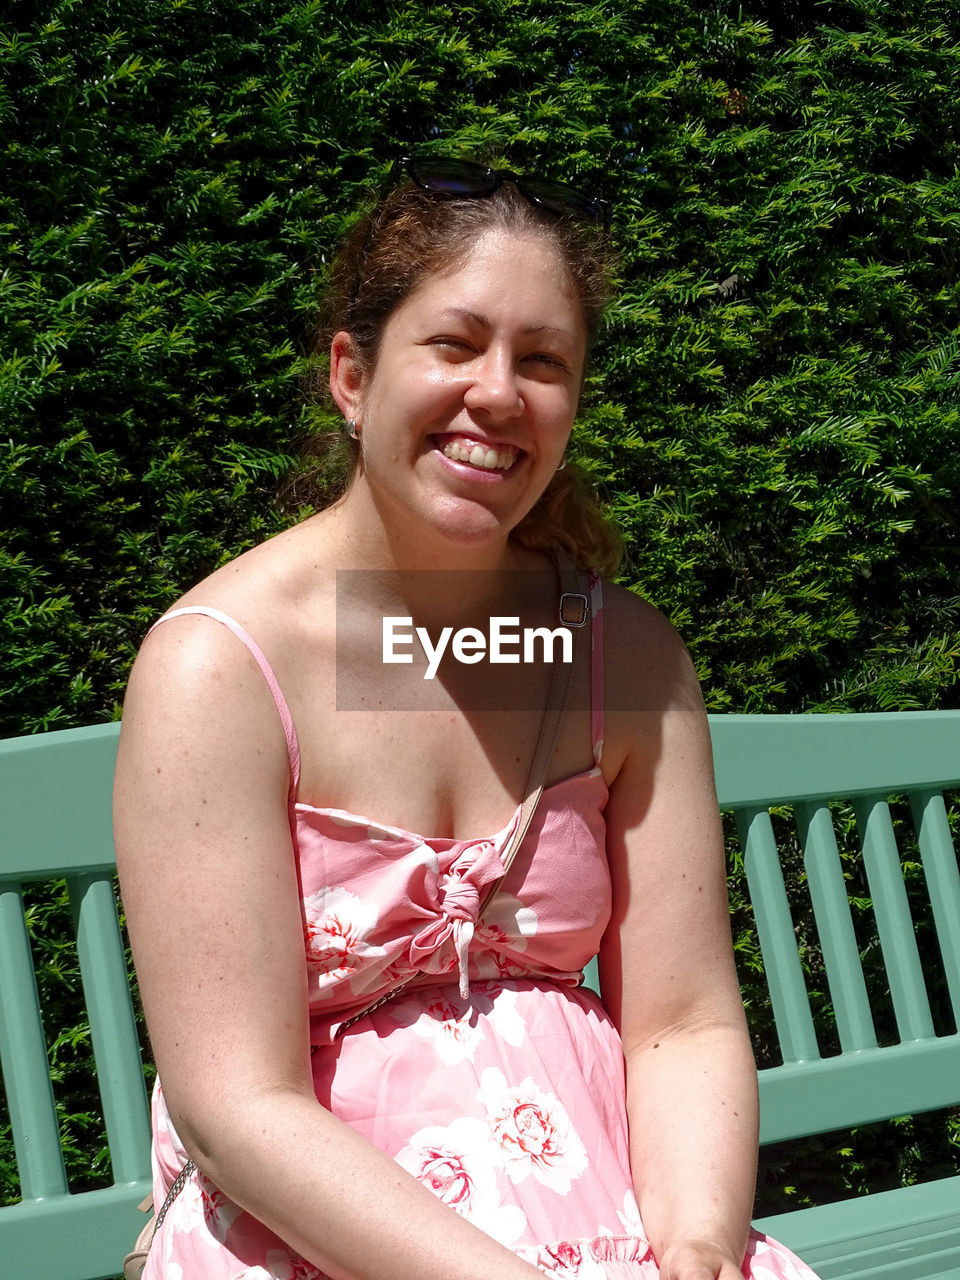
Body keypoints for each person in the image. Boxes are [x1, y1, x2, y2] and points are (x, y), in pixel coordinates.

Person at [114, 156, 820, 1280]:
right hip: (324, 1240)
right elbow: (235, 1106)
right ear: (352, 374)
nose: (500, 393)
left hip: (618, 1209)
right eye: (454, 343)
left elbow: (682, 1019)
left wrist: (692, 1240)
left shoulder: (621, 659)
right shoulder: (222, 669)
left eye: (544, 361)